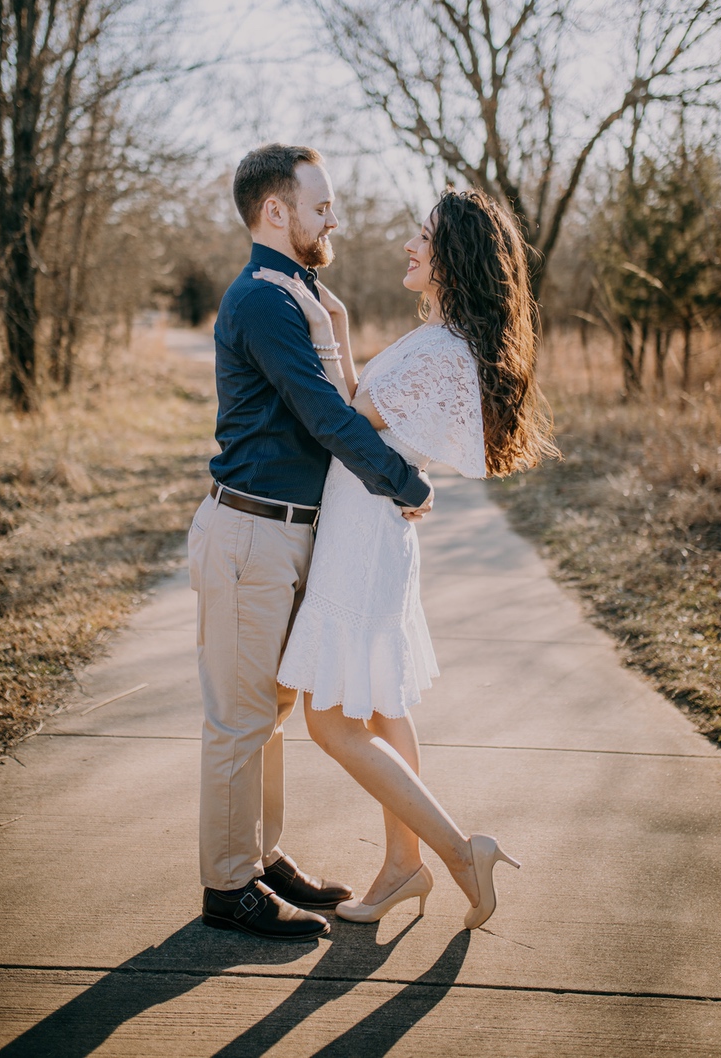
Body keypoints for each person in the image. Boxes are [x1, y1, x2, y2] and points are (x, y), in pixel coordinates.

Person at [256, 188, 558, 929]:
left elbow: (340, 421)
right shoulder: (446, 342)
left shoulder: (442, 352)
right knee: (385, 705)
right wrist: (340, 324)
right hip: (375, 533)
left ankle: (457, 851)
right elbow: (365, 410)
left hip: (362, 541)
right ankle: (402, 867)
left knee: (330, 724)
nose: (409, 246)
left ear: (453, 256)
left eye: (422, 237)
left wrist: (314, 335)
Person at [188, 143, 434, 943]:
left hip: (290, 537)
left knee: (273, 713)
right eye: (320, 204)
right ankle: (228, 887)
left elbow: (344, 400)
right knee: (239, 718)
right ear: (275, 212)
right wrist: (403, 480)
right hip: (249, 534)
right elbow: (323, 416)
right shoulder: (262, 299)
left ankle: (262, 859)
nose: (334, 218)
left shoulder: (304, 291)